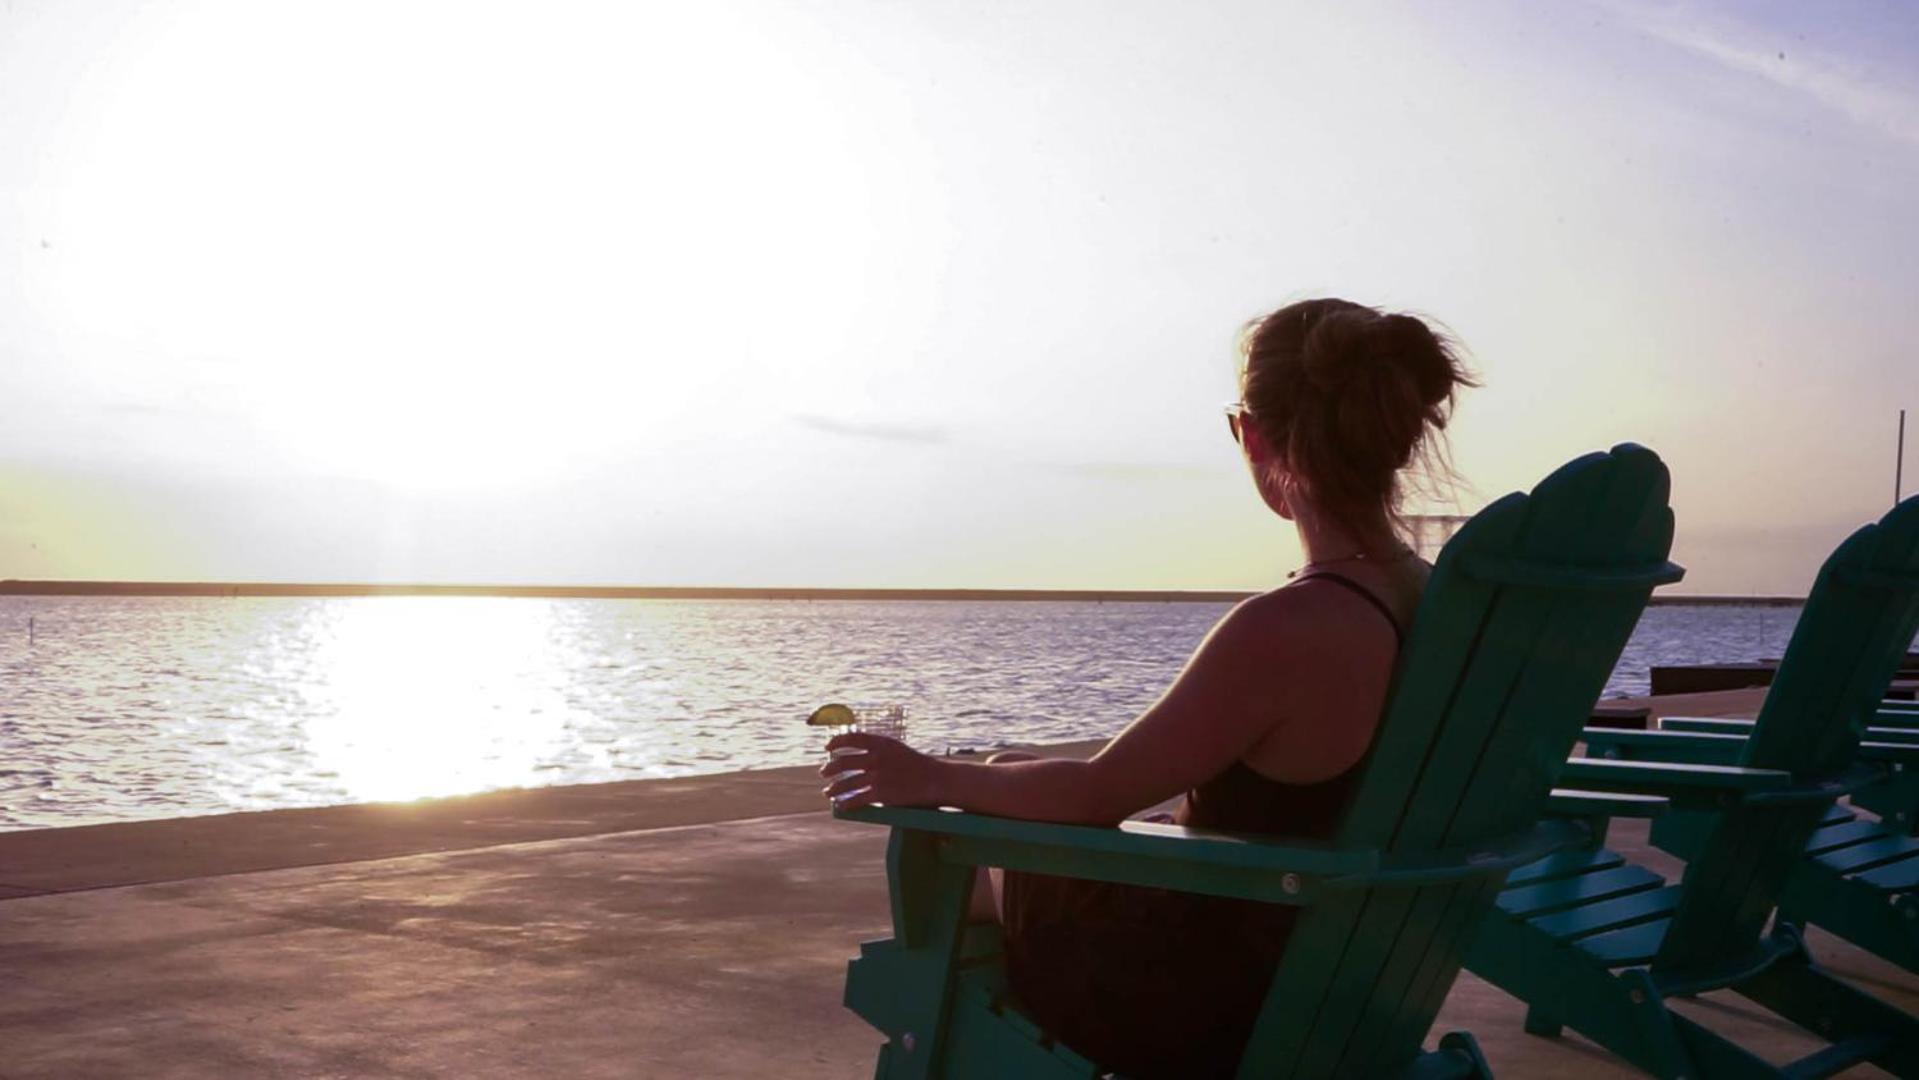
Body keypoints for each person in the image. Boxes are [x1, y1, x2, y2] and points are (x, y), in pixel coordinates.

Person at [820, 297, 1477, 1077]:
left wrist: (927, 776)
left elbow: (1095, 794)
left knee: (960, 816)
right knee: (1008, 775)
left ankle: (957, 1039)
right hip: (1341, 986)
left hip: (1205, 1000)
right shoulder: (1434, 605)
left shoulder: (1288, 626)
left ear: (1253, 435)